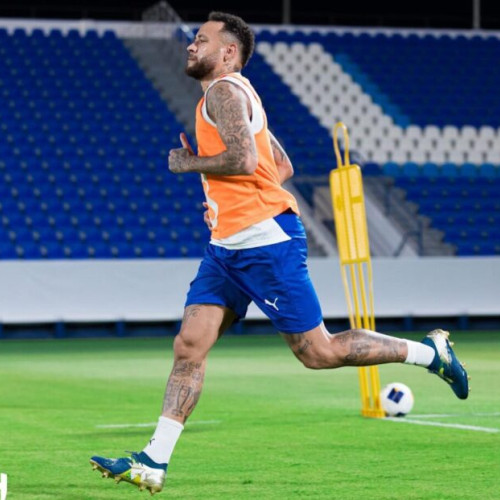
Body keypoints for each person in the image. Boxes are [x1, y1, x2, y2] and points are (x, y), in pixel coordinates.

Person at [90, 11, 469, 495]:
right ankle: (153, 461)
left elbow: (244, 159)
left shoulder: (224, 92)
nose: (190, 45)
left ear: (228, 52)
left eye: (201, 39)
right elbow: (280, 165)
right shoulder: (234, 95)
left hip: (265, 243)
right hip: (227, 247)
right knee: (190, 345)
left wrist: (191, 164)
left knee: (319, 352)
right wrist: (228, 202)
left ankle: (429, 353)